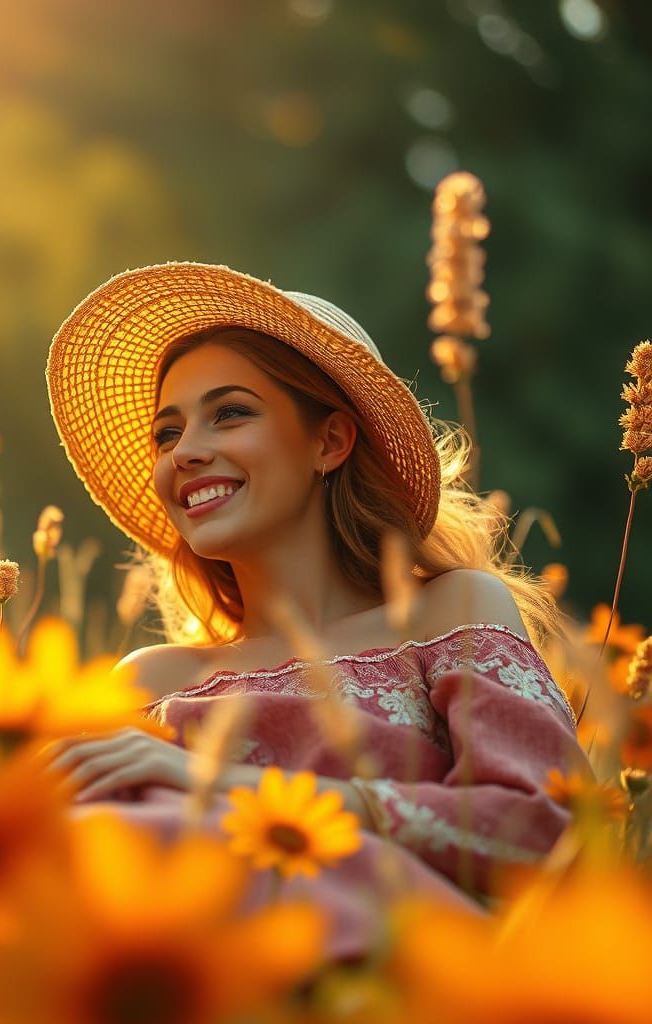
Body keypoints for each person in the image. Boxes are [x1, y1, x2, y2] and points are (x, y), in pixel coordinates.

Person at [43, 261, 587, 961]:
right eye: (166, 434)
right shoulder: (149, 680)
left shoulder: (451, 612)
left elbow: (546, 831)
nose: (187, 453)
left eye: (229, 413)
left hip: (390, 976)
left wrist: (225, 790)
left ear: (329, 441)